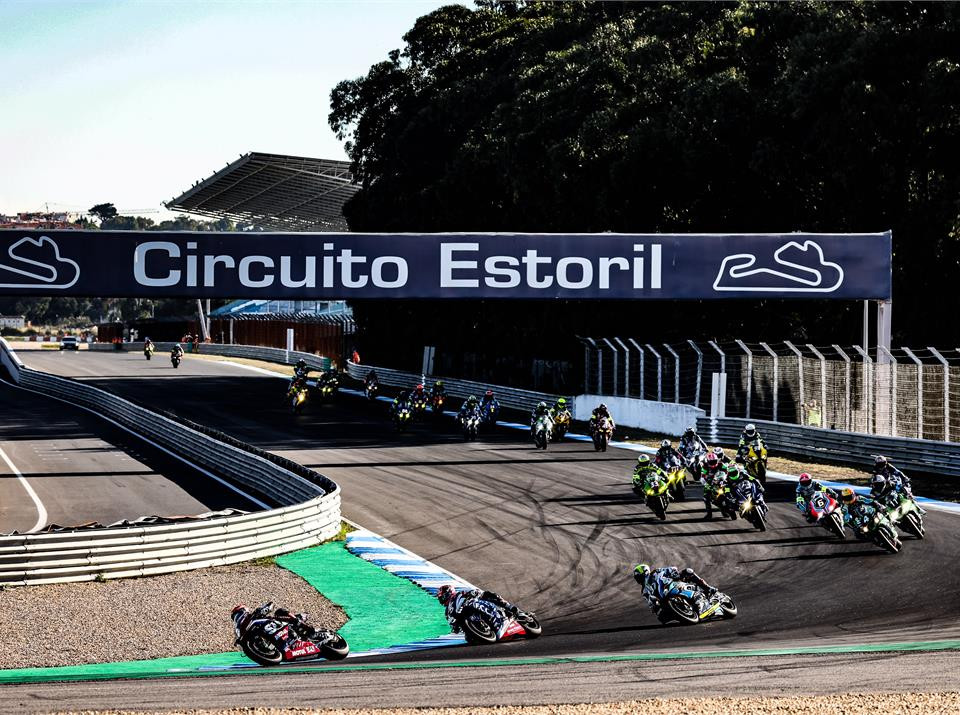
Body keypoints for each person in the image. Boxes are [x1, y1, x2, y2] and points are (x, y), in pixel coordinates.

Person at [633, 564, 716, 620]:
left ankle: (708, 588)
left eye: (639, 576)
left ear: (645, 572)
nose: (638, 579)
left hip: (672, 584)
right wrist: (653, 606)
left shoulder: (656, 572)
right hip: (663, 598)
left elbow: (670, 569)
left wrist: (673, 572)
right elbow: (649, 601)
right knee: (662, 618)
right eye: (637, 578)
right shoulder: (644, 591)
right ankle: (683, 613)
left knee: (688, 571)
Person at [436, 584, 518, 634]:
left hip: (473, 604)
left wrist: (473, 593)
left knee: (488, 594)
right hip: (464, 616)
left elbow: (475, 591)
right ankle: (482, 630)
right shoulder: (447, 612)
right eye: (440, 598)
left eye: (442, 596)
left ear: (449, 592)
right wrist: (454, 628)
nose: (441, 599)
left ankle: (509, 607)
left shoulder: (460, 593)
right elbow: (452, 624)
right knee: (468, 639)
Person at [698, 452, 728, 519]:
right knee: (706, 497)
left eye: (714, 461)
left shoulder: (721, 464)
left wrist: (726, 478)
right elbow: (702, 477)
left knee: (730, 490)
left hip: (721, 481)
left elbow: (727, 471)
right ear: (708, 461)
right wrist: (706, 484)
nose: (713, 463)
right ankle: (709, 514)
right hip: (710, 483)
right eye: (711, 462)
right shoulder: (705, 466)